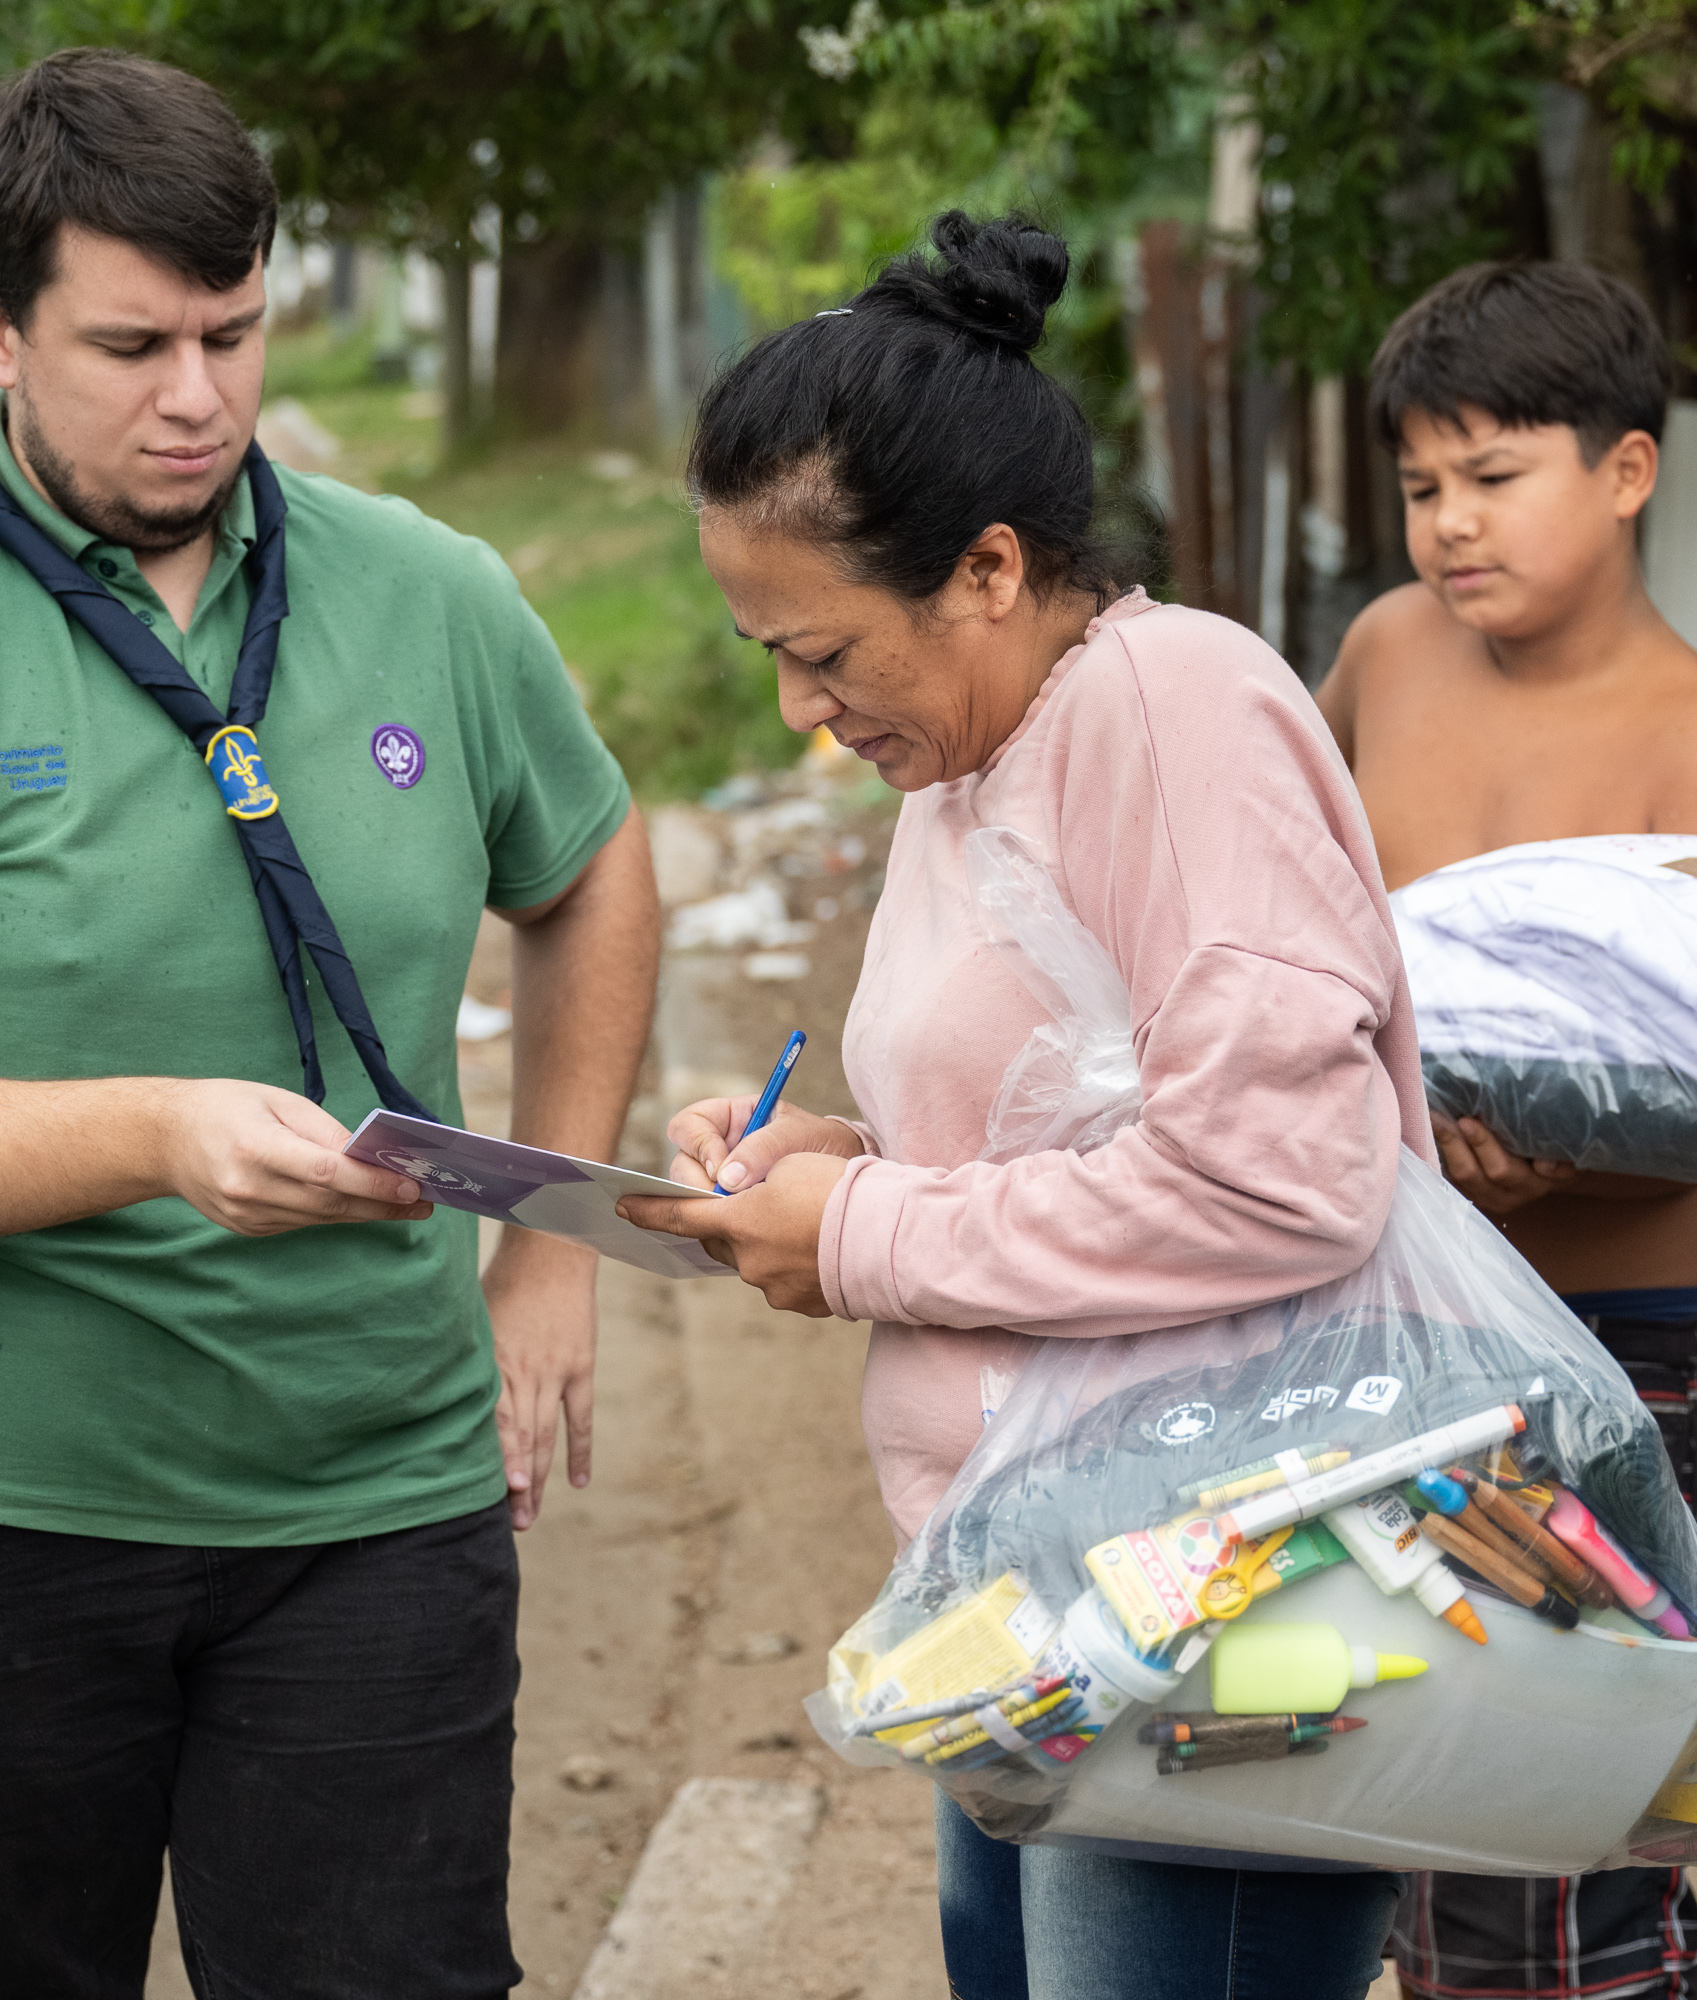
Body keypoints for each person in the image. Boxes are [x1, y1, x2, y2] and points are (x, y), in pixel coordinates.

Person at [0, 49, 657, 1999]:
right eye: (130, 344)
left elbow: (592, 871)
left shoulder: (427, 594)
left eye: (235, 330)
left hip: (363, 1486)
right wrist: (159, 1134)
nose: (198, 397)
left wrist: (547, 1255)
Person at [612, 212, 1432, 2000]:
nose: (798, 708)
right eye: (767, 652)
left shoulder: (1172, 711)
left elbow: (1286, 1184)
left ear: (987, 567)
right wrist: (831, 1163)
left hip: (1224, 1606)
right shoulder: (982, 751)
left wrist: (864, 1231)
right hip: (1042, 1590)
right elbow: (1071, 1128)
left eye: (825, 653)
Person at [1313, 261, 1697, 2000]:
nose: (1451, 525)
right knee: (1385, 1812)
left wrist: (1563, 1154)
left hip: (1614, 1364)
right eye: (1422, 487)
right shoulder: (1383, 656)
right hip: (1382, 1322)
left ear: (1626, 470)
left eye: (1495, 476)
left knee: (1576, 1853)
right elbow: (1284, 901)